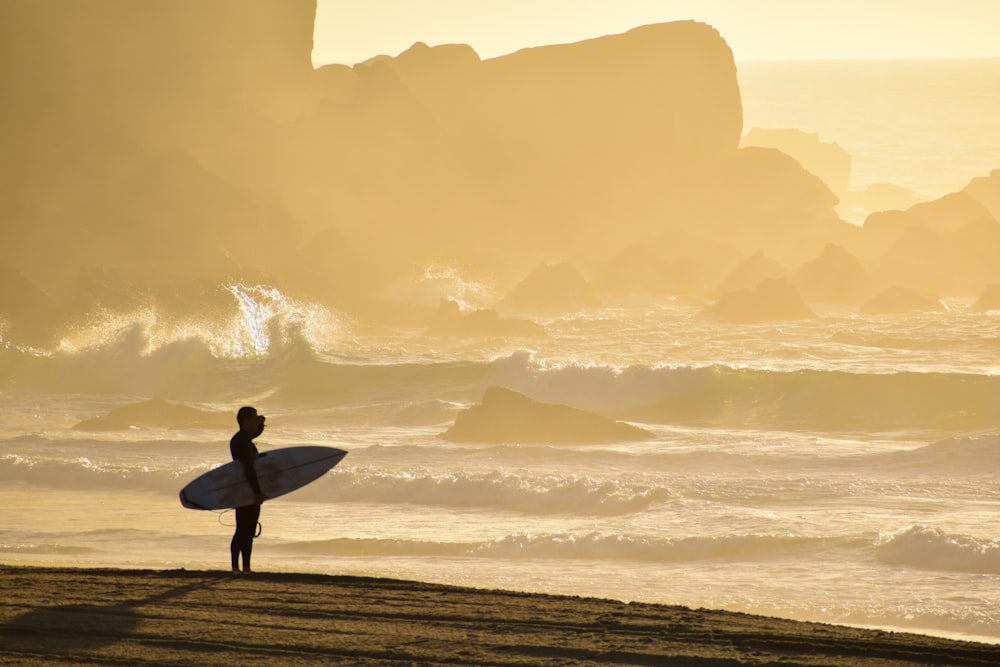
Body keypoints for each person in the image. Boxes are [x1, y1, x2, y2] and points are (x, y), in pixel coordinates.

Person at [230, 406, 267, 573]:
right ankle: (240, 567)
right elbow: (249, 468)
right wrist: (257, 491)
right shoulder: (242, 440)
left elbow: (253, 434)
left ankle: (241, 566)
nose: (256, 422)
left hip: (241, 488)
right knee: (245, 529)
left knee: (245, 528)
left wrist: (260, 425)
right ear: (246, 420)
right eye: (254, 418)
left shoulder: (240, 438)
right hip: (247, 488)